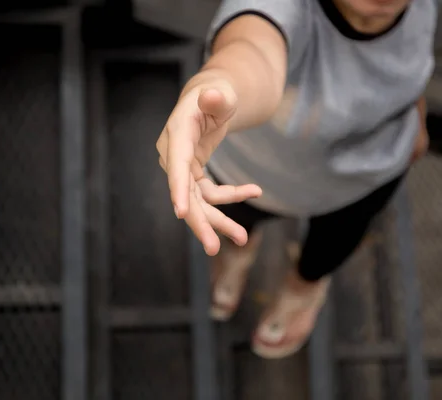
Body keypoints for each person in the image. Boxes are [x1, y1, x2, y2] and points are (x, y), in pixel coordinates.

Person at [155, 0, 435, 359]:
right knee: (236, 227)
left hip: (364, 178)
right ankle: (239, 256)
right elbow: (252, 51)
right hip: (254, 177)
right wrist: (216, 90)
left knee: (328, 252)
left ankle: (302, 289)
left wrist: (415, 111)